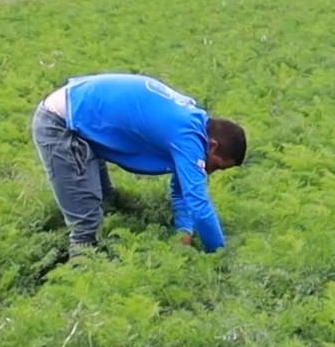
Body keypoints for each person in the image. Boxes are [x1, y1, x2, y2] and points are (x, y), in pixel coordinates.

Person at [30, 72, 246, 254]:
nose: (211, 172)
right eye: (217, 165)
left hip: (81, 115)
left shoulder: (193, 121)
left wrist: (184, 231)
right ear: (213, 146)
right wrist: (219, 256)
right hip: (60, 123)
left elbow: (182, 192)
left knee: (108, 201)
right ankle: (79, 278)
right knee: (86, 225)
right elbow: (198, 203)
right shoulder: (188, 136)